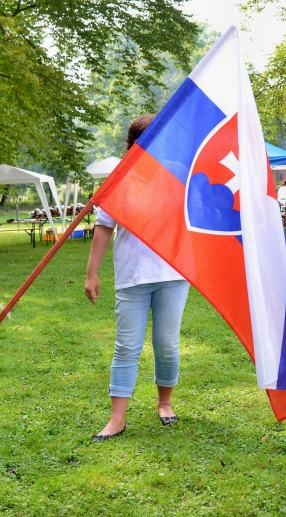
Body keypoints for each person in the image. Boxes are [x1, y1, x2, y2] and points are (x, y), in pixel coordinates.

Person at [84, 114, 190, 441]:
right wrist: (91, 273)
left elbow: (196, 214)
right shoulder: (119, 179)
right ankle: (117, 419)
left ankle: (165, 403)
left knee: (167, 345)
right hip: (132, 274)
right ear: (134, 144)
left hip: (173, 274)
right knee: (126, 346)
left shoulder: (178, 172)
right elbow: (103, 228)